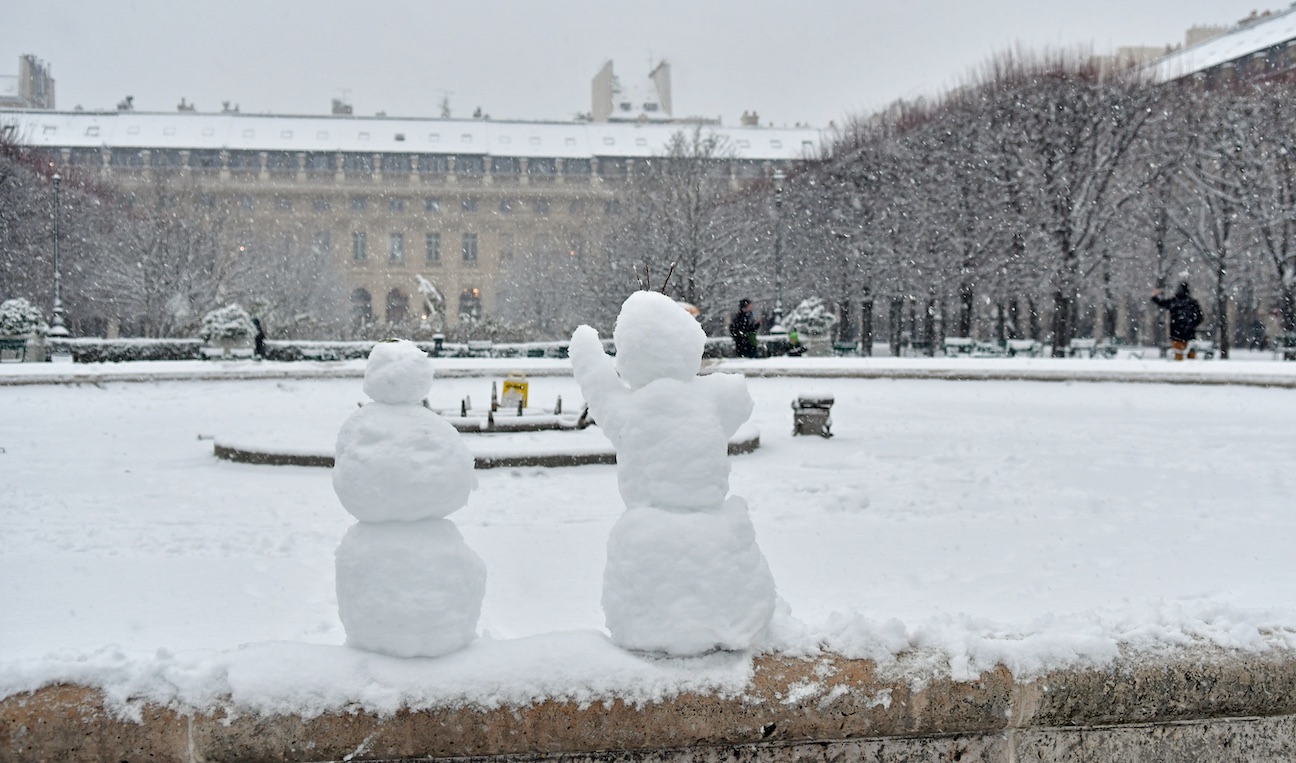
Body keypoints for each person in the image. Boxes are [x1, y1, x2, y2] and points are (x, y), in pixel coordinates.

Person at [1151, 282, 1204, 360]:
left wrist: (1154, 297)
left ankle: (1180, 364)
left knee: (1179, 356)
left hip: (1176, 333)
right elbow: (1200, 318)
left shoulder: (1174, 302)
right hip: (1189, 334)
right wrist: (1191, 325)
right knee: (1191, 357)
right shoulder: (1192, 303)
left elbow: (1162, 303)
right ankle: (1190, 365)